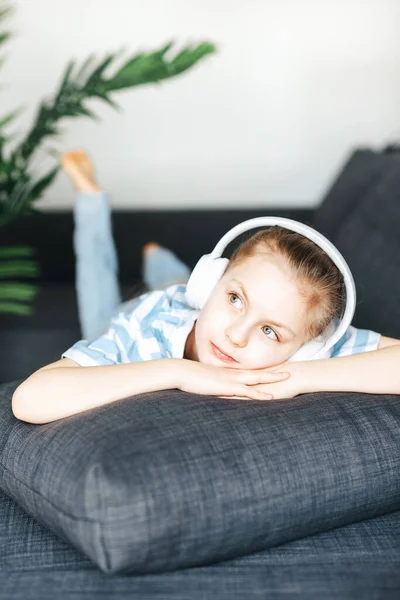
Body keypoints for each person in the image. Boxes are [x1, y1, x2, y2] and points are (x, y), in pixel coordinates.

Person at [11, 155, 400, 424]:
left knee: (171, 280)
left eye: (269, 330)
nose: (236, 335)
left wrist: (300, 379)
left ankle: (159, 259)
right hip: (152, 306)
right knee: (99, 304)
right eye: (235, 299)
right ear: (210, 281)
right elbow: (29, 399)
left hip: (185, 294)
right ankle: (92, 203)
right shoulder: (147, 331)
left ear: (307, 346)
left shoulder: (304, 351)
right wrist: (177, 372)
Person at [59, 150, 192, 341]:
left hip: (171, 306)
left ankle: (155, 256)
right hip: (170, 314)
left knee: (178, 285)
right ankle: (155, 257)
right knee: (97, 319)